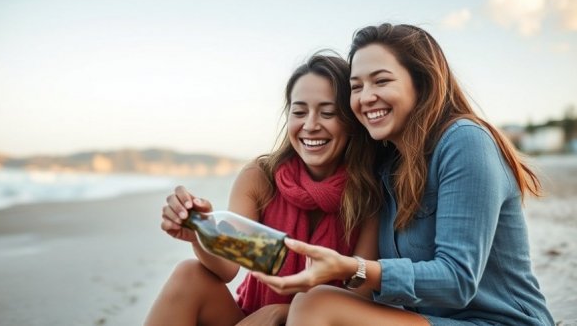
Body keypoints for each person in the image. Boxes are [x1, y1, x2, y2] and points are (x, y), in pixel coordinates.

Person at [253, 23, 555, 325]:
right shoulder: (387, 164)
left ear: (421, 83)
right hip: (428, 319)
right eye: (356, 87)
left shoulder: (464, 141)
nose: (366, 97)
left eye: (381, 81)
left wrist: (352, 268)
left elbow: (458, 280)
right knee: (310, 302)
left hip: (501, 321)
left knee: (315, 305)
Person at [144, 53, 384, 326]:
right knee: (188, 273)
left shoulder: (368, 191)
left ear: (351, 121)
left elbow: (361, 294)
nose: (310, 125)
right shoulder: (260, 178)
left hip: (323, 321)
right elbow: (226, 269)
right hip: (254, 317)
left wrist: (283, 311)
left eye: (327, 113)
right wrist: (198, 233)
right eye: (299, 111)